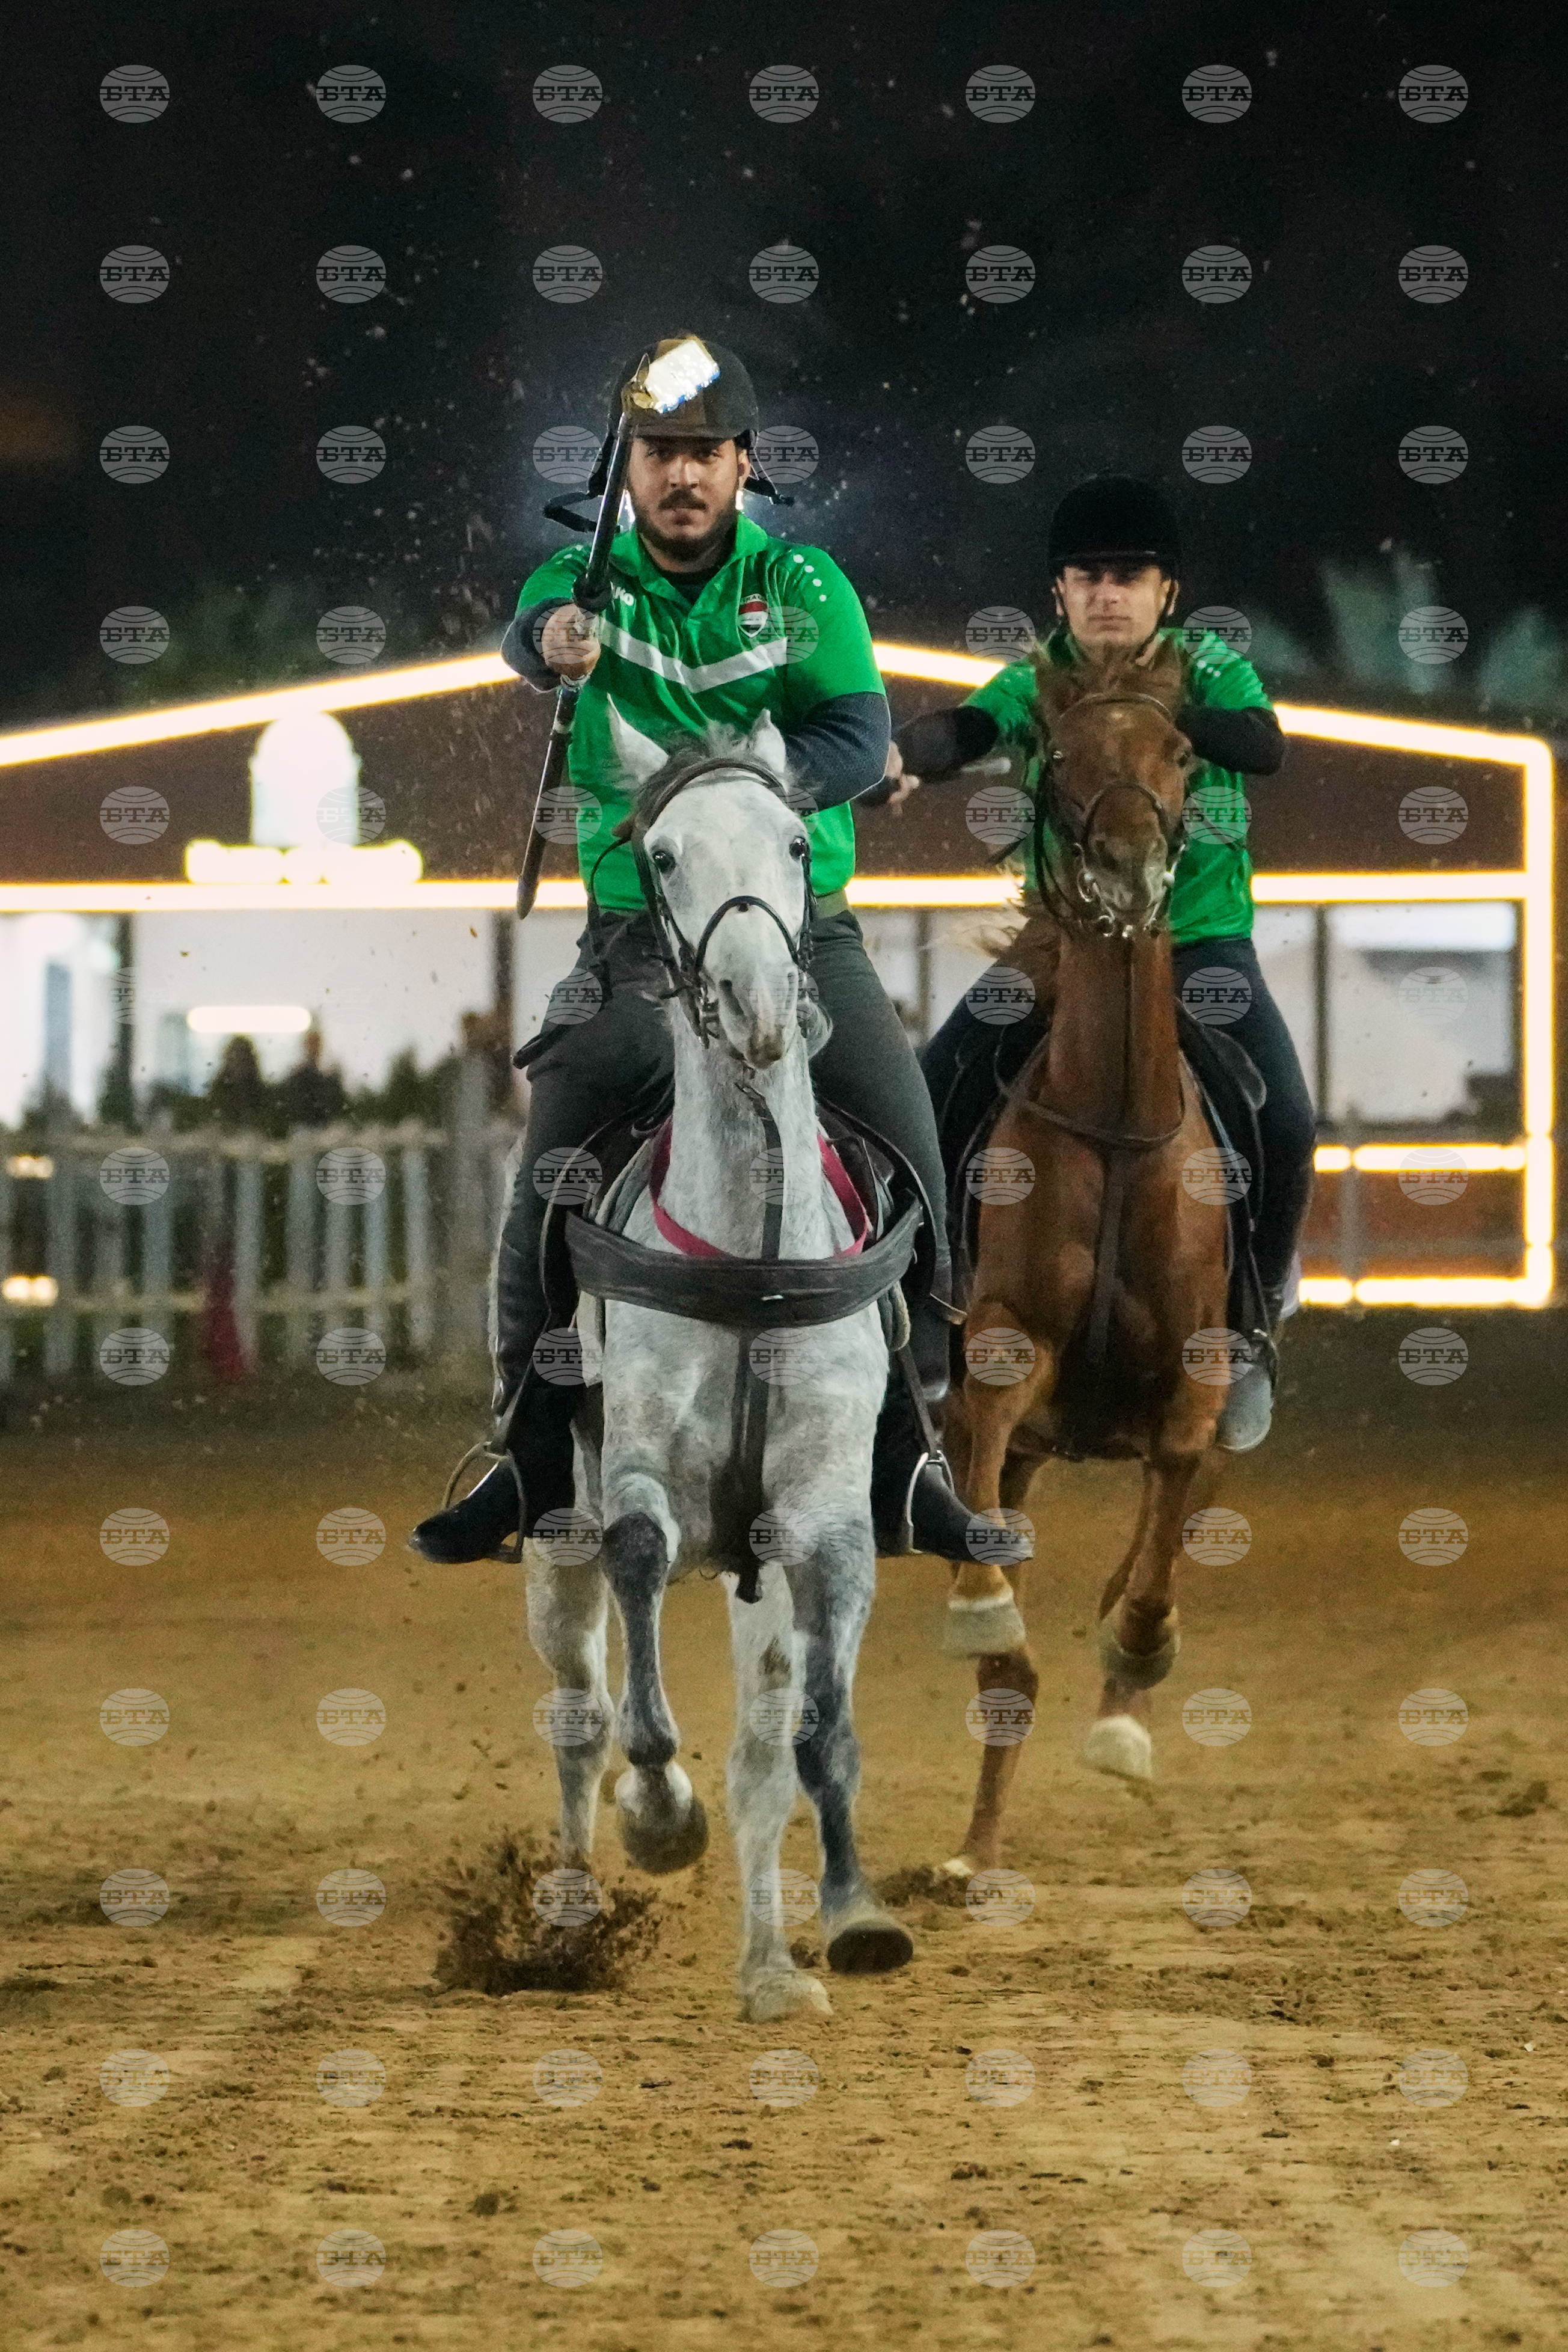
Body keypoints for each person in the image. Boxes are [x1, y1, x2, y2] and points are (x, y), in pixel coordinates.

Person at [409, 335, 976, 1564]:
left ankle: (909, 1456)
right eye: (659, 455)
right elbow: (529, 638)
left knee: (914, 1143)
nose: (681, 478)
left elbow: (853, 726)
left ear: (741, 467)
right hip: (633, 938)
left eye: (703, 456)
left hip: (800, 930)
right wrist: (548, 644)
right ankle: (526, 1454)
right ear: (629, 474)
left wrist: (736, 790)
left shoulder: (806, 585)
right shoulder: (580, 579)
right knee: (549, 1172)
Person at [888, 475, 1314, 1448]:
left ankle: (1249, 1328)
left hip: (1200, 949)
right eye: (1089, 577)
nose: (1108, 593)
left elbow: (1266, 746)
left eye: (1130, 576)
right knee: (928, 1086)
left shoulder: (1212, 672)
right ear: (1061, 593)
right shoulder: (1035, 679)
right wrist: (905, 758)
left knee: (1285, 1117)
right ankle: (929, 1304)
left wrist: (1145, 720)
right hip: (1063, 950)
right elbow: (968, 728)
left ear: (1169, 592)